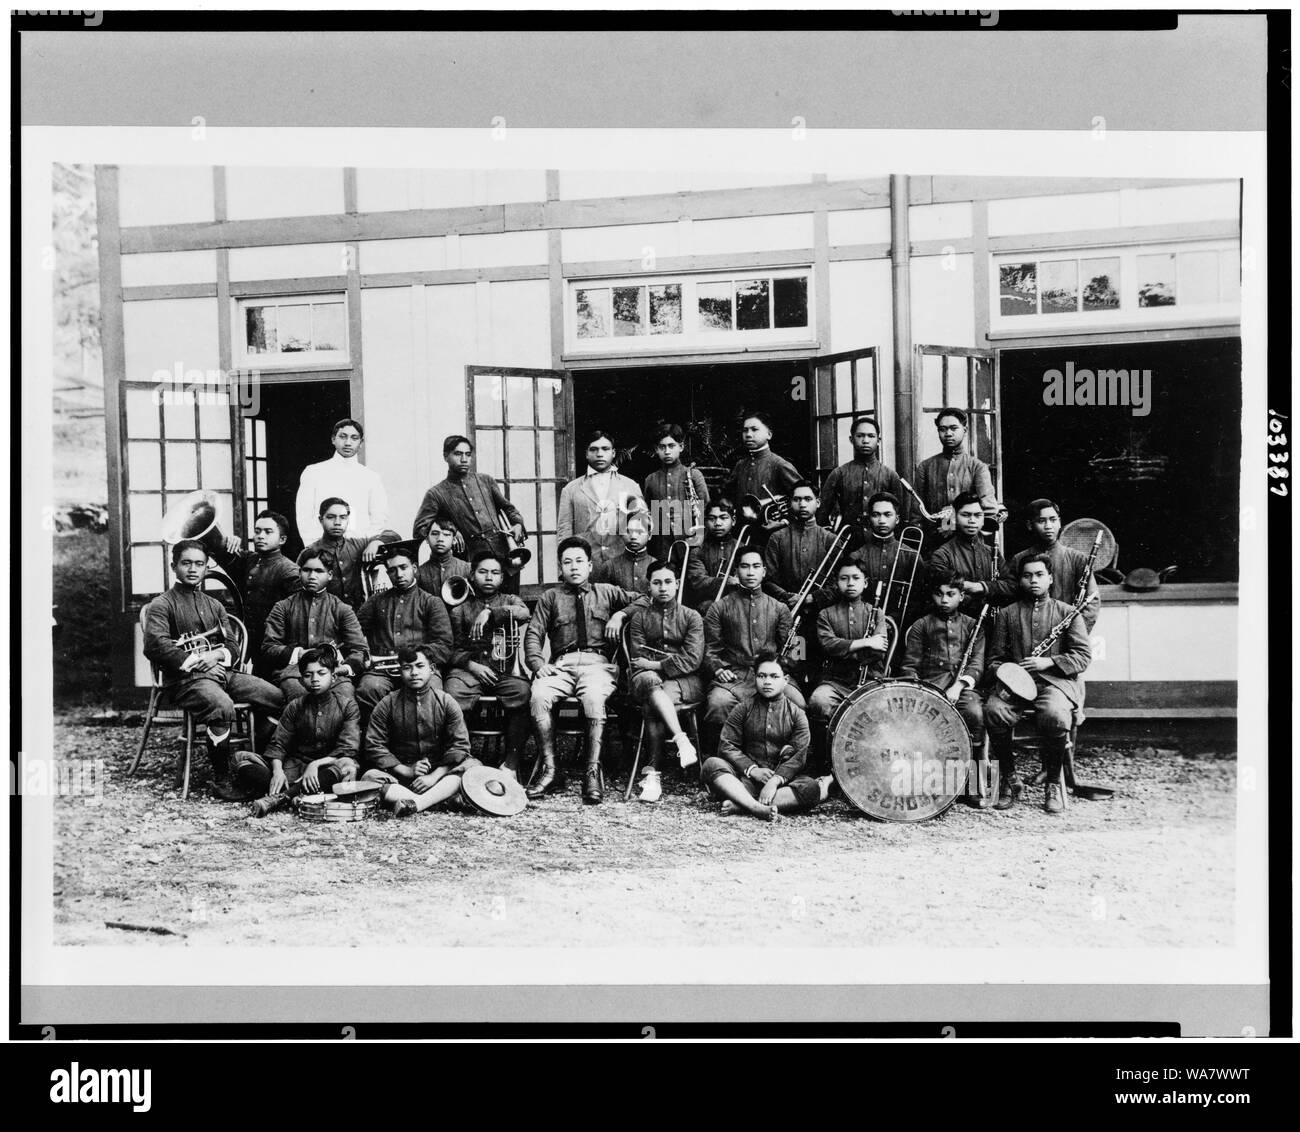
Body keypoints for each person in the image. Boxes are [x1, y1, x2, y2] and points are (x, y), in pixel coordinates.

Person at [142, 539, 284, 799]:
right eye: (186, 563)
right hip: (187, 680)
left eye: (199, 564)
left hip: (221, 673)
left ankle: (259, 764)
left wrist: (216, 654)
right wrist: (198, 661)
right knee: (222, 706)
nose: (193, 569)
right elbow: (156, 646)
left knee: (276, 696)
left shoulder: (215, 605)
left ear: (207, 568)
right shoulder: (161, 605)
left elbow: (232, 645)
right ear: (174, 566)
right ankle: (221, 779)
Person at [523, 536, 646, 804]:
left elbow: (645, 599)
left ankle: (592, 771)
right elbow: (533, 633)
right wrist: (537, 664)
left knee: (593, 699)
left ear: (590, 566)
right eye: (568, 562)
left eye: (580, 561)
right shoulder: (550, 597)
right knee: (539, 696)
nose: (574, 567)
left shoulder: (607, 592)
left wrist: (620, 614)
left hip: (597, 665)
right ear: (561, 567)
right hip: (562, 665)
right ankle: (551, 770)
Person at [983, 554, 1092, 814]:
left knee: (1054, 714)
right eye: (1027, 575)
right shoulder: (1008, 614)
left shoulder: (1067, 612)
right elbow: (994, 660)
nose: (1033, 580)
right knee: (993, 711)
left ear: (1050, 578)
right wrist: (1010, 673)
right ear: (1020, 580)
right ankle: (1010, 779)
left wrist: (1049, 663)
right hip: (1016, 684)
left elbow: (1083, 656)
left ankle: (1053, 783)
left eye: (1039, 575)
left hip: (1055, 683)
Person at [701, 652, 831, 820]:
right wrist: (752, 770)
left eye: (774, 676)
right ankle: (756, 806)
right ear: (755, 678)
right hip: (744, 779)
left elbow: (799, 756)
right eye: (761, 676)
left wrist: (774, 781)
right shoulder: (743, 709)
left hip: (779, 785)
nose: (767, 682)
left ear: (786, 680)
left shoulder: (796, 714)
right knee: (711, 764)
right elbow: (727, 745)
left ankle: (742, 805)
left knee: (811, 788)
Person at [702, 547, 805, 753]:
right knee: (718, 703)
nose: (750, 572)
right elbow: (708, 649)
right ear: (736, 571)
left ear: (764, 572)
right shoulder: (719, 607)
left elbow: (797, 648)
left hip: (772, 674)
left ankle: (783, 756)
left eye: (756, 566)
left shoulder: (779, 608)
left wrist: (786, 667)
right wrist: (719, 669)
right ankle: (723, 756)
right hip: (736, 675)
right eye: (745, 566)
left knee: (797, 702)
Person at [239, 646, 361, 817]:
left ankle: (281, 797)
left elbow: (348, 748)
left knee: (346, 767)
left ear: (333, 677)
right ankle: (299, 794)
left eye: (321, 673)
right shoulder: (295, 706)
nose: (315, 679)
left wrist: (316, 764)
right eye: (308, 675)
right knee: (244, 764)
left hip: (328, 766)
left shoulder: (347, 706)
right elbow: (278, 744)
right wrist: (278, 771)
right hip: (296, 767)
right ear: (302, 681)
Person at [444, 551, 533, 779]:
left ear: (502, 578)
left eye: (495, 573)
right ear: (472, 575)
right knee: (452, 694)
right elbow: (449, 650)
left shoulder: (510, 601)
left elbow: (525, 613)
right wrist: (473, 666)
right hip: (469, 671)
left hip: (504, 670)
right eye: (483, 572)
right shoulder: (459, 609)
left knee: (522, 691)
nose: (489, 577)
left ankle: (511, 764)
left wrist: (491, 612)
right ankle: (462, 758)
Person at [361, 644, 476, 817]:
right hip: (401, 774)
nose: (414, 672)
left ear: (432, 669)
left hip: (439, 773)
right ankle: (436, 801)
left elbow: (460, 746)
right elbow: (374, 746)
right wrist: (406, 770)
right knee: (369, 777)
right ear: (400, 671)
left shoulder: (446, 702)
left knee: (472, 767)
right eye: (407, 668)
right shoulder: (387, 704)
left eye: (420, 666)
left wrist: (433, 776)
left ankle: (417, 803)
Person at [626, 558, 703, 803]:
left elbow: (692, 659)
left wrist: (658, 664)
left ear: (677, 584)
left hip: (684, 681)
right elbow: (638, 657)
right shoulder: (639, 618)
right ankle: (682, 740)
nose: (663, 587)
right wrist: (658, 663)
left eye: (668, 582)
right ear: (649, 586)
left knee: (654, 703)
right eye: (657, 583)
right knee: (651, 684)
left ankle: (652, 774)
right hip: (645, 679)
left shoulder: (692, 617)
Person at [411, 435, 528, 595]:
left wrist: (517, 524)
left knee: (510, 604)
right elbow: (420, 529)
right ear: (445, 456)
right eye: (458, 454)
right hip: (471, 565)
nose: (464, 459)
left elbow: (509, 509)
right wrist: (451, 531)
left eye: (468, 454)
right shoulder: (436, 493)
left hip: (506, 559)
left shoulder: (486, 481)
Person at [355, 540, 453, 717]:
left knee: (432, 692)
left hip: (420, 667)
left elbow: (444, 644)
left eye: (403, 567)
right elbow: (354, 630)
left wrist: (419, 656)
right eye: (392, 570)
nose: (398, 574)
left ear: (414, 568)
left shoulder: (431, 602)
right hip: (383, 670)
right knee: (369, 688)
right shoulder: (376, 602)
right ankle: (379, 739)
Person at [261, 547, 368, 702]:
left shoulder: (341, 609)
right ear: (299, 573)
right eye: (306, 570)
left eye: (319, 571)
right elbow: (269, 647)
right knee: (300, 697)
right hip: (294, 673)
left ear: (330, 575)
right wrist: (299, 654)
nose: (312, 576)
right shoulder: (282, 607)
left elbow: (360, 650)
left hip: (332, 673)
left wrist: (341, 669)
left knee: (345, 696)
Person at [898, 568, 986, 751]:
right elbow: (910, 666)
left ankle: (974, 764)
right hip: (929, 687)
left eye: (950, 594)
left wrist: (958, 686)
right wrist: (921, 693)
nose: (944, 600)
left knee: (974, 713)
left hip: (962, 690)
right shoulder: (921, 625)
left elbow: (977, 663)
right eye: (939, 594)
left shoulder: (972, 626)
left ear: (961, 596)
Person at [981, 498, 1101, 632]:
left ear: (1060, 522)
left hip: (1067, 632)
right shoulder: (1019, 559)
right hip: (1028, 633)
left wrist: (1076, 632)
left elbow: (1092, 601)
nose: (1048, 526)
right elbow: (1009, 600)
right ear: (1030, 525)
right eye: (1041, 521)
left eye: (1053, 519)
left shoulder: (1077, 559)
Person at [208, 508, 301, 672]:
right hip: (249, 641)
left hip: (274, 645)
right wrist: (227, 540)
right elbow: (222, 553)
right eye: (257, 531)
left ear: (282, 539)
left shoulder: (289, 571)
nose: (260, 536)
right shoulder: (250, 560)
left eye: (268, 532)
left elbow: (297, 616)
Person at [809, 559, 894, 735]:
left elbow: (878, 652)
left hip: (870, 681)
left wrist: (844, 650)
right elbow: (828, 645)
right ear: (836, 582)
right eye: (844, 578)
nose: (850, 583)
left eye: (856, 578)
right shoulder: (825, 614)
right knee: (819, 700)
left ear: (865, 583)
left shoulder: (876, 613)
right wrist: (865, 642)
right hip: (835, 682)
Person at [556, 430, 646, 575]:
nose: (599, 454)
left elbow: (640, 528)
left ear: (614, 453)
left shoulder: (630, 486)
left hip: (622, 564)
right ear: (586, 453)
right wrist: (564, 570)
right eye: (594, 449)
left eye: (605, 449)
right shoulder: (571, 489)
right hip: (587, 567)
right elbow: (564, 531)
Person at [911, 407, 1006, 541]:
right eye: (943, 429)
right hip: (934, 543)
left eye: (954, 428)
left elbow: (989, 510)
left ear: (965, 430)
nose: (948, 433)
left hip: (969, 543)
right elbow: (916, 514)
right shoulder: (925, 467)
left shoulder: (978, 467)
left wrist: (954, 523)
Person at [295, 418, 390, 545]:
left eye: (354, 438)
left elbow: (379, 519)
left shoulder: (372, 478)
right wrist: (315, 547)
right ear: (333, 439)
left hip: (359, 550)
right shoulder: (313, 472)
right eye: (343, 437)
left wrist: (363, 546)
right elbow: (304, 516)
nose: (348, 443)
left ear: (361, 443)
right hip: (322, 548)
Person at [303, 497, 400, 608]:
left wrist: (377, 542)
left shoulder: (358, 545)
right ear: (321, 520)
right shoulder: (310, 552)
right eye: (331, 517)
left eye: (343, 518)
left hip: (358, 614)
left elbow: (393, 535)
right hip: (326, 615)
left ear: (348, 520)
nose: (337, 522)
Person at [720, 411, 801, 541]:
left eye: (754, 430)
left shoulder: (780, 464)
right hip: (742, 535)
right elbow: (727, 497)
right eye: (745, 431)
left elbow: (803, 498)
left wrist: (784, 521)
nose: (748, 434)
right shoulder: (740, 465)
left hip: (773, 538)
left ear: (769, 434)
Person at [816, 416, 908, 530]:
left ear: (878, 440)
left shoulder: (890, 475)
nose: (865, 441)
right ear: (851, 439)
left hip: (881, 540)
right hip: (849, 540)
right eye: (860, 436)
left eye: (871, 436)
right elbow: (822, 515)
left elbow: (900, 515)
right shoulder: (838, 474)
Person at [848, 492, 923, 627]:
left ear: (897, 519)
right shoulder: (856, 556)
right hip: (863, 625)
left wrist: (896, 619)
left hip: (901, 626)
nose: (882, 520)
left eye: (888, 515)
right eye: (876, 515)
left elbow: (918, 599)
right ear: (869, 519)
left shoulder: (912, 555)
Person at [642, 422, 710, 559]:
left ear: (681, 447)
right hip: (661, 546)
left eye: (671, 446)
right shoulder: (651, 480)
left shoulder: (693, 475)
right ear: (656, 449)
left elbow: (704, 506)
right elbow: (648, 512)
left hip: (690, 543)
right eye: (662, 447)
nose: (667, 451)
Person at [926, 491, 998, 617]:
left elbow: (1011, 585)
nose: (972, 520)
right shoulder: (942, 555)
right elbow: (945, 593)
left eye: (977, 515)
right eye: (966, 515)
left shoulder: (991, 552)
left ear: (983, 519)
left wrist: (982, 586)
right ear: (954, 517)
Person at [684, 499, 744, 613]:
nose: (717, 523)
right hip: (705, 609)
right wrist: (725, 582)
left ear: (733, 520)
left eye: (723, 517)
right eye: (712, 519)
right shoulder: (697, 550)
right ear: (706, 522)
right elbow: (698, 581)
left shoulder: (743, 548)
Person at [592, 510, 654, 595]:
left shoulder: (656, 565)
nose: (633, 536)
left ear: (649, 535)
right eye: (628, 531)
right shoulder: (609, 566)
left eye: (639, 532)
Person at [415, 516, 472, 600]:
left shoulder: (467, 568)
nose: (440, 539)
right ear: (427, 539)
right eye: (435, 533)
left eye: (446, 535)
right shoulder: (419, 573)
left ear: (454, 540)